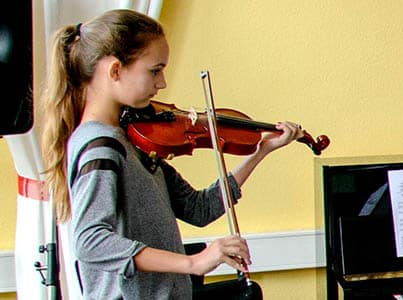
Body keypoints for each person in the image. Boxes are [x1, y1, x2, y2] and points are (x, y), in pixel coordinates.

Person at [40, 9, 303, 300]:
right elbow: (90, 241)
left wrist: (260, 151)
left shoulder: (130, 142)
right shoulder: (101, 147)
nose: (162, 82)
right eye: (155, 70)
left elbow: (198, 208)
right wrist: (194, 262)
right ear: (115, 70)